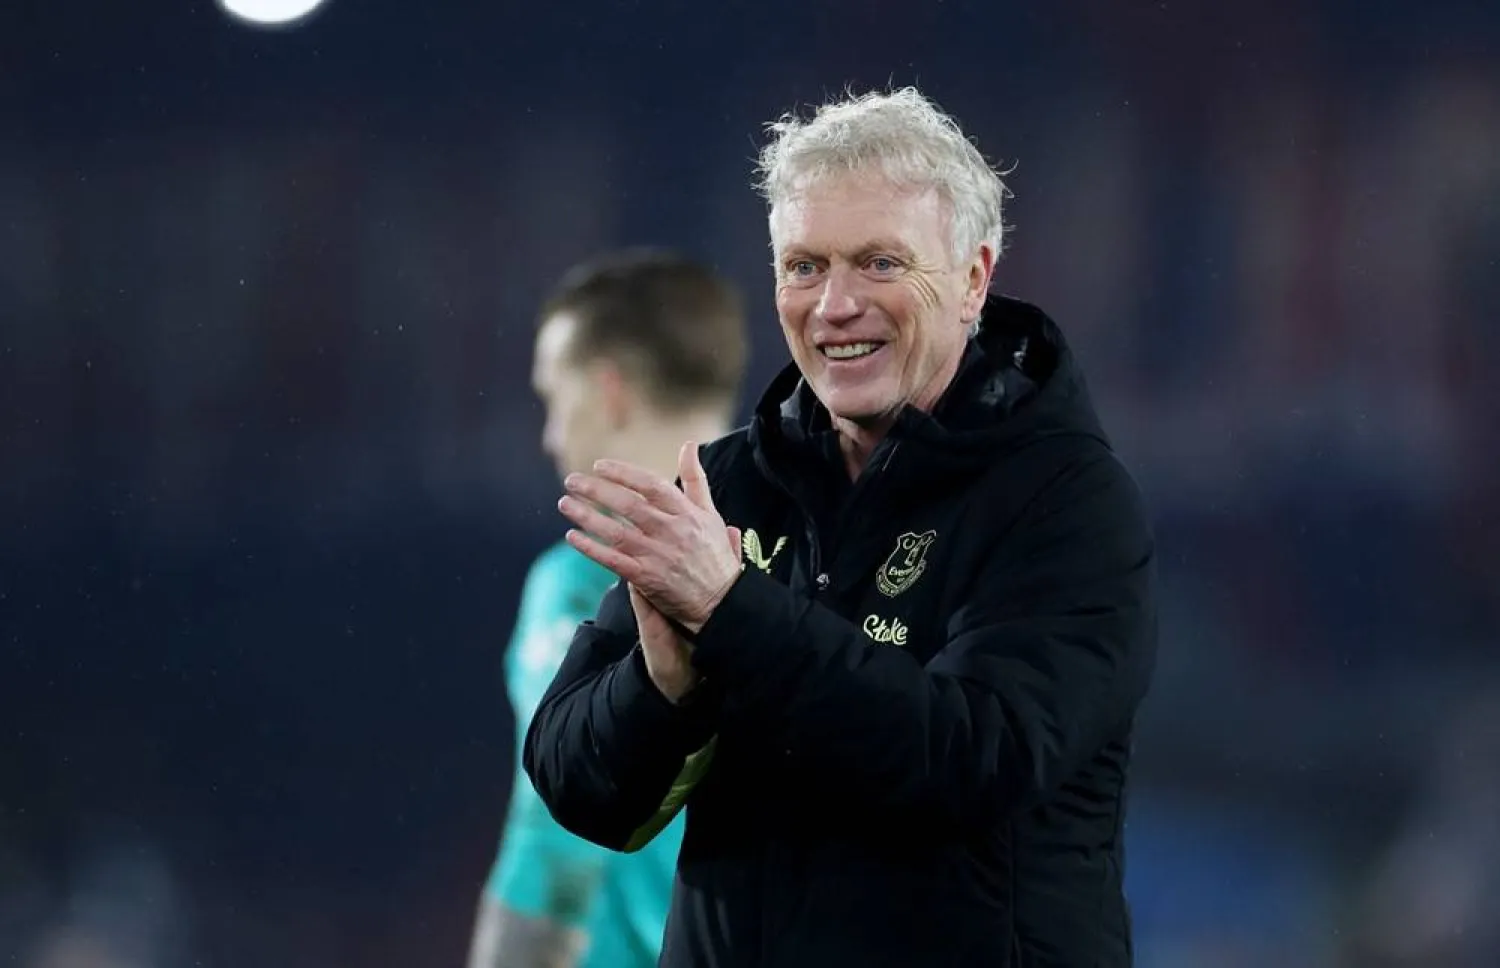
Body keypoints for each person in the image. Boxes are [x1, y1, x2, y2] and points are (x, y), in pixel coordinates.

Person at [526, 86, 1158, 967]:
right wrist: (666, 686)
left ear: (974, 278)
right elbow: (579, 790)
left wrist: (733, 612)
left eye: (880, 264)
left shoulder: (1067, 502)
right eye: (804, 267)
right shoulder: (727, 487)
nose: (834, 305)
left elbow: (968, 761)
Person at [468, 250, 748, 968]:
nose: (550, 435)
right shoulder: (800, 565)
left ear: (610, 391)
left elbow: (554, 842)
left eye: (554, 399)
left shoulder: (582, 585)